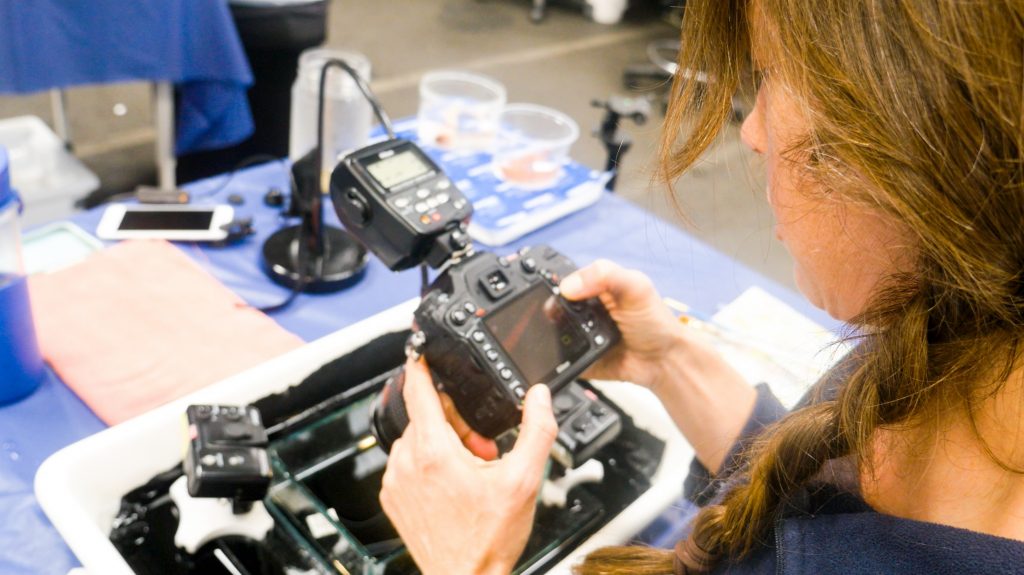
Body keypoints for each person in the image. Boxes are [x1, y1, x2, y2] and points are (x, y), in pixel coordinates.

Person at [379, 1, 1024, 573]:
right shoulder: (963, 335)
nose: (752, 131)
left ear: (916, 142)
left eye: (772, 76)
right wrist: (670, 364)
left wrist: (469, 559)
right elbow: (812, 493)